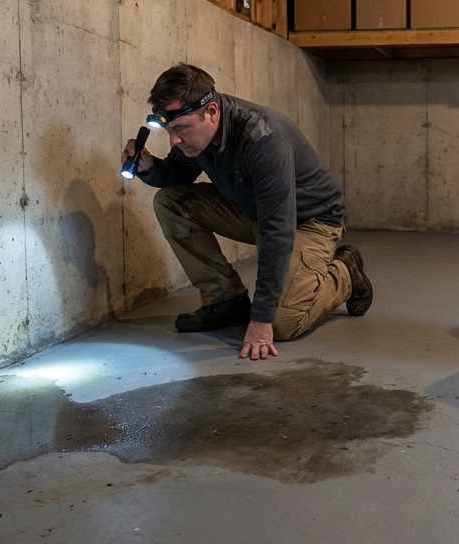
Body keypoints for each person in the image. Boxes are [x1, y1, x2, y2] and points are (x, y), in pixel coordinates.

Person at [122, 64, 373, 360]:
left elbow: (277, 232)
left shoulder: (264, 142)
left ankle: (344, 271)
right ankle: (225, 300)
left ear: (212, 111)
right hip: (254, 208)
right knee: (170, 202)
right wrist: (150, 168)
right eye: (168, 131)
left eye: (180, 130)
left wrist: (261, 319)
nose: (173, 140)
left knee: (283, 322)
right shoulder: (198, 132)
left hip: (308, 221)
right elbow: (178, 173)